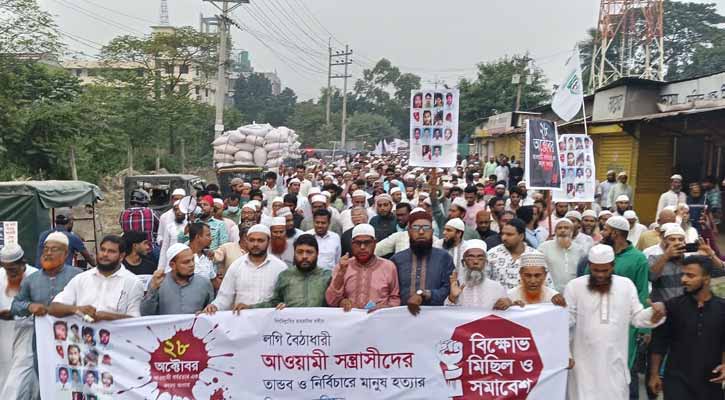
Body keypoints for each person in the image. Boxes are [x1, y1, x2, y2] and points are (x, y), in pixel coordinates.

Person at [565, 244, 666, 400]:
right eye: (595, 270)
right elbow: (565, 323)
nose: (600, 275)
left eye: (605, 270)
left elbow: (637, 317)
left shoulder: (626, 285)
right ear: (589, 265)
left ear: (613, 265)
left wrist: (654, 315)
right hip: (583, 364)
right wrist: (566, 354)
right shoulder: (574, 287)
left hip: (615, 361)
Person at [649, 255, 725, 399]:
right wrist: (654, 375)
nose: (683, 279)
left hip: (711, 382)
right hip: (676, 381)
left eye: (690, 275)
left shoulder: (722, 308)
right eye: (683, 274)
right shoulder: (672, 306)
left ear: (706, 279)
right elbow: (659, 343)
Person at [11, 233, 82, 370]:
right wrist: (29, 306)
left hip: (73, 341)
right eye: (46, 249)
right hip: (43, 342)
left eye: (54, 249)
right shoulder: (31, 280)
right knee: (44, 375)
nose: (48, 253)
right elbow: (15, 305)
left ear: (66, 254)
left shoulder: (78, 276)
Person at [48, 235, 144, 321]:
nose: (105, 254)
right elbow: (54, 308)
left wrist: (107, 316)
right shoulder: (81, 278)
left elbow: (136, 321)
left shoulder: (133, 282)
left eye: (111, 251)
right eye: (102, 250)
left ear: (121, 256)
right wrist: (77, 309)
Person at [203, 225, 288, 314]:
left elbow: (285, 298)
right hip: (241, 319)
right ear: (246, 241)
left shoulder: (280, 267)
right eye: (252, 240)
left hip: (271, 320)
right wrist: (214, 306)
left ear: (269, 242)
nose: (255, 244)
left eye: (260, 240)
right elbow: (224, 297)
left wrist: (284, 305)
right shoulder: (236, 266)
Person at [391, 209, 454, 315]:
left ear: (432, 232)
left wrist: (428, 294)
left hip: (436, 317)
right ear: (409, 232)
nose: (421, 232)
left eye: (426, 228)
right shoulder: (397, 260)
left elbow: (448, 288)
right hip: (402, 317)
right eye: (416, 228)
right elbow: (391, 292)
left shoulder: (444, 258)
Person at [326, 224, 401, 311]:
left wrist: (385, 308)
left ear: (374, 243)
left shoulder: (388, 267)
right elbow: (331, 300)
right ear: (352, 244)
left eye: (367, 243)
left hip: (379, 318)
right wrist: (341, 302)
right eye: (358, 243)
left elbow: (395, 298)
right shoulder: (343, 266)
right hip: (350, 317)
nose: (362, 247)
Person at [246, 234, 332, 309]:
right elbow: (274, 303)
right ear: (294, 253)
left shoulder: (327, 276)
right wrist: (249, 308)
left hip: (320, 323)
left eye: (309, 252)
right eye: (300, 252)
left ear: (317, 253)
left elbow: (334, 303)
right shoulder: (285, 276)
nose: (304, 256)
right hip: (291, 322)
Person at [0, 244, 39, 400]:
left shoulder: (35, 276)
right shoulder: (0, 276)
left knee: (21, 370)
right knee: (5, 371)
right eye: (7, 269)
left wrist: (16, 313)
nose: (10, 273)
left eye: (13, 269)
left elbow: (39, 306)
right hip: (4, 331)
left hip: (27, 329)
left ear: (23, 262)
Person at [140, 243, 214, 315]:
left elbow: (212, 312)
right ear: (172, 265)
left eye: (192, 260)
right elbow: (145, 314)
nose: (192, 264)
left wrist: (207, 311)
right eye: (186, 262)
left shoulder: (204, 283)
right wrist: (153, 289)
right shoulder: (158, 283)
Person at [486, 218, 552, 290]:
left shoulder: (535, 255)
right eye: (503, 234)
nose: (504, 238)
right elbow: (485, 283)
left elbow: (547, 284)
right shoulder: (492, 254)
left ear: (521, 236)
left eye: (509, 234)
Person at [445, 240, 511, 309]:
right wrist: (452, 297)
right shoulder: (456, 285)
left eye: (480, 258)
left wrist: (508, 303)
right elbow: (445, 313)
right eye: (471, 257)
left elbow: (506, 311)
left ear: (486, 263)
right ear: (463, 263)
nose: (475, 261)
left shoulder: (497, 288)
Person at [538, 219, 587, 292]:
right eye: (559, 228)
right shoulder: (544, 247)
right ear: (555, 231)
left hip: (573, 292)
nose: (563, 230)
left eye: (566, 228)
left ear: (572, 231)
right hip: (550, 292)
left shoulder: (580, 250)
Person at [157, 201, 187, 270]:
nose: (178, 212)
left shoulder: (190, 226)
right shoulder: (169, 227)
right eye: (176, 209)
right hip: (171, 264)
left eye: (180, 209)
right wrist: (160, 268)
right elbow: (164, 249)